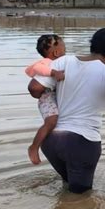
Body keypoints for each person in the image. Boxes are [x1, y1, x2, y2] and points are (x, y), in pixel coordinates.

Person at [28, 28, 105, 194]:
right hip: (81, 143)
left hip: (51, 141)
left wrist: (52, 95)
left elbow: (34, 87)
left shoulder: (62, 62)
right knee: (80, 200)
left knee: (67, 189)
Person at [25, 34, 66, 165]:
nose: (65, 50)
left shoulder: (53, 63)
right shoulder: (47, 63)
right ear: (56, 52)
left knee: (56, 122)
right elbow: (37, 68)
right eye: (63, 47)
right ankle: (34, 147)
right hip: (47, 97)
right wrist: (54, 73)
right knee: (51, 121)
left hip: (50, 95)